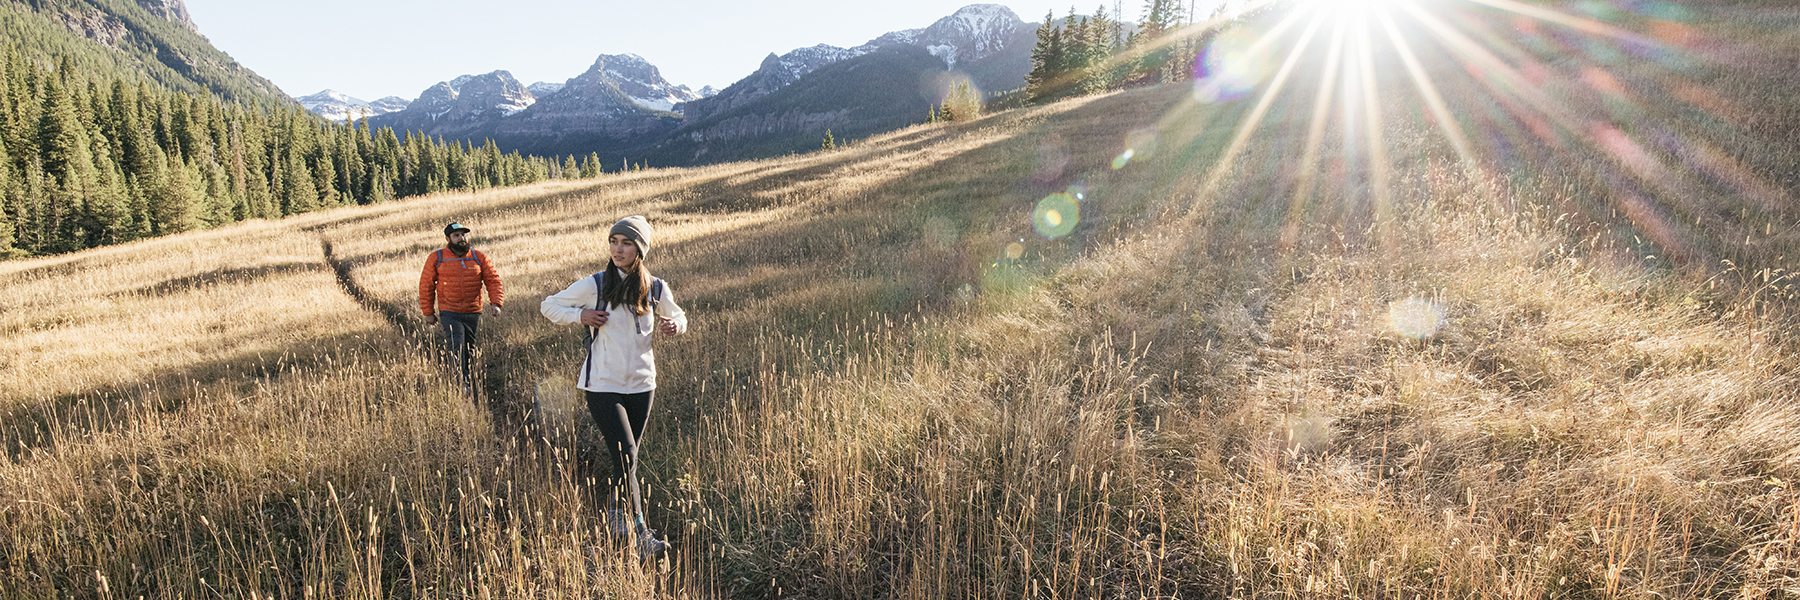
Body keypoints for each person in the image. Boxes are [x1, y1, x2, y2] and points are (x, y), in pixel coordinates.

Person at [539, 215, 687, 557]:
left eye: (626, 243)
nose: (617, 249)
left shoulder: (656, 288)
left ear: (640, 250)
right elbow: (549, 304)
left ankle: (617, 514)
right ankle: (641, 535)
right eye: (614, 241)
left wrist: (675, 326)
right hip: (602, 384)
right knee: (627, 453)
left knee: (627, 460)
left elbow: (679, 315)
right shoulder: (596, 284)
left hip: (642, 384)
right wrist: (580, 316)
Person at [419, 222, 504, 390]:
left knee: (468, 349)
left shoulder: (478, 257)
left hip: (473, 312)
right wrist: (428, 312)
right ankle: (461, 384)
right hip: (449, 311)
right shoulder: (437, 258)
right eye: (456, 235)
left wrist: (496, 303)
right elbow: (426, 285)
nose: (461, 238)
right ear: (448, 239)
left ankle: (469, 378)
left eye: (463, 234)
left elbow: (493, 280)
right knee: (456, 346)